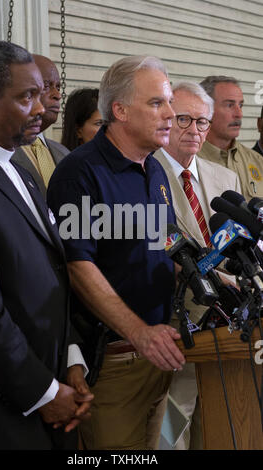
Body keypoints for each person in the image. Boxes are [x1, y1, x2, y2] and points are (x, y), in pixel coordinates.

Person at [47, 55, 186, 450]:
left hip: (159, 354)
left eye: (170, 102)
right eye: (157, 103)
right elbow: (77, 266)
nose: (171, 114)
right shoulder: (80, 173)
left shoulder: (154, 168)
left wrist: (212, 273)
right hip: (115, 360)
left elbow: (167, 241)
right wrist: (138, 332)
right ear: (120, 110)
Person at [0, 40, 93, 450]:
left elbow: (52, 271)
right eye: (27, 97)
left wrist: (71, 358)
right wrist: (44, 392)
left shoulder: (20, 164)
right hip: (0, 407)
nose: (42, 108)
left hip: (55, 384)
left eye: (42, 93)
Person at [154, 81, 241, 450]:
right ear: (167, 120)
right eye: (184, 119)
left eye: (202, 122)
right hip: (175, 323)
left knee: (223, 423)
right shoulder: (147, 173)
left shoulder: (226, 178)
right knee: (172, 426)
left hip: (225, 324)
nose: (194, 131)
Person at [12, 54, 69, 199]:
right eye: (46, 86)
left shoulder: (64, 153)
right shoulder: (1, 152)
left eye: (58, 87)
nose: (57, 95)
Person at [198, 76, 263, 201]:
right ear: (205, 109)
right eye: (229, 105)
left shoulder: (258, 162)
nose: (239, 114)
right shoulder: (186, 162)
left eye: (240, 105)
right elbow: (156, 216)